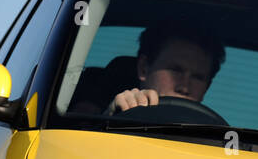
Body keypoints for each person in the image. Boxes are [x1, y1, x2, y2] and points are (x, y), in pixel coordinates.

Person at [70, 20, 225, 114]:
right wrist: (109, 120)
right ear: (144, 68)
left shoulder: (220, 146)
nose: (184, 87)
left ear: (207, 87)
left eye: (198, 77)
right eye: (176, 70)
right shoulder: (93, 116)